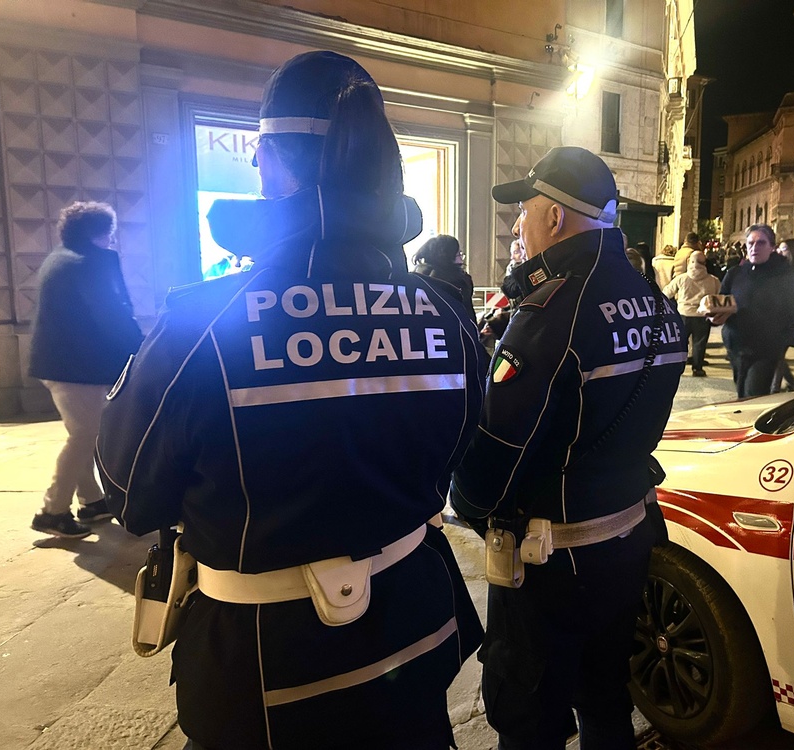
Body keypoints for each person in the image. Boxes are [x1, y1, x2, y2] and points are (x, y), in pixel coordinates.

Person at [96, 51, 484, 750]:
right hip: (417, 633)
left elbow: (129, 494)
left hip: (268, 668)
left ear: (272, 163)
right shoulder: (446, 313)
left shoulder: (204, 320)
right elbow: (460, 447)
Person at [450, 145, 687, 749]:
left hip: (553, 559)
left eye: (526, 211)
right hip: (627, 539)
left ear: (555, 217)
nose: (519, 226)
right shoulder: (656, 303)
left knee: (528, 717)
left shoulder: (553, 311)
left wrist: (473, 508)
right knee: (606, 695)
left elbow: (493, 454)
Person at [27, 201, 142, 539]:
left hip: (60, 365)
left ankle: (91, 501)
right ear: (100, 231)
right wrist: (141, 346)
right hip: (76, 368)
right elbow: (111, 314)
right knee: (84, 435)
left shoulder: (60, 258)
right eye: (110, 231)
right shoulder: (86, 264)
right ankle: (52, 511)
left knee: (84, 433)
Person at [715, 224, 794, 398]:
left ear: (772, 247)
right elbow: (722, 302)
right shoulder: (735, 274)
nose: (754, 248)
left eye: (761, 243)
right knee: (741, 393)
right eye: (750, 243)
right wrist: (715, 317)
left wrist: (783, 340)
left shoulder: (785, 277)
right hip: (737, 347)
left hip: (765, 350)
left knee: (753, 395)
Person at [663, 250, 720, 376]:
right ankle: (697, 367)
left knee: (681, 342)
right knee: (699, 342)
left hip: (684, 314)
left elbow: (667, 293)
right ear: (704, 263)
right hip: (703, 316)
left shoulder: (682, 279)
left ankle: (678, 366)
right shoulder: (713, 280)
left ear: (690, 262)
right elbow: (719, 296)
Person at [770, 238, 794, 393]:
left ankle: (775, 389)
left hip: (789, 321)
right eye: (779, 248)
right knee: (776, 354)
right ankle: (792, 383)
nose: (780, 251)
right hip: (777, 320)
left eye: (784, 248)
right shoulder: (781, 268)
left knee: (777, 354)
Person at [412, 233, 477, 322]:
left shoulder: (415, 276)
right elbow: (467, 314)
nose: (461, 259)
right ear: (449, 256)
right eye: (459, 254)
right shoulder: (458, 281)